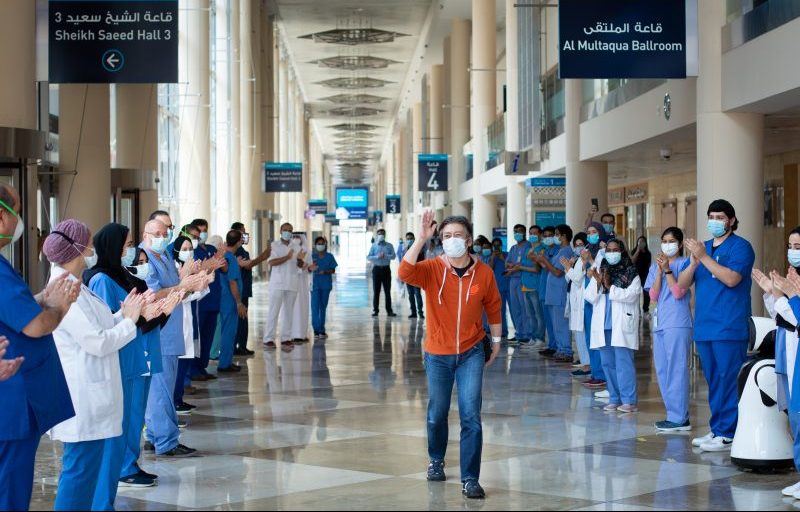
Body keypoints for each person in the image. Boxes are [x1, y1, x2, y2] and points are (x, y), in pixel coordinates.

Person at [42, 219, 145, 511]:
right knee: (78, 474)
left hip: (95, 396)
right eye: (87, 244)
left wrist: (123, 314)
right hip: (83, 401)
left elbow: (99, 325)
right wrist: (129, 321)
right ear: (76, 249)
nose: (91, 249)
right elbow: (97, 342)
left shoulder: (78, 286)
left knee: (87, 474)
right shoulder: (62, 291)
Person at [398, 210, 502, 500]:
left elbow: (493, 305)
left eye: (457, 235)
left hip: (471, 352)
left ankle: (470, 478)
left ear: (469, 240)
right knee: (437, 413)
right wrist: (421, 239)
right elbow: (405, 272)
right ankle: (436, 459)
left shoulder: (483, 273)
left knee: (471, 415)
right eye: (446, 236)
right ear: (439, 240)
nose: (452, 240)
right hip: (438, 353)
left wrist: (496, 340)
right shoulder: (432, 268)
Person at [0, 184, 77, 512]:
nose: (20, 222)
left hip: (15, 397)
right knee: (9, 492)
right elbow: (34, 325)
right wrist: (59, 309)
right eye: (17, 211)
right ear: (2, 216)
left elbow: (14, 312)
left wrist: (42, 299)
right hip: (12, 401)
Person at [85, 223, 170, 495]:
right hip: (123, 356)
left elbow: (139, 312)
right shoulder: (101, 279)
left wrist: (157, 311)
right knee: (126, 416)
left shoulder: (122, 275)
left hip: (138, 352)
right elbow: (110, 320)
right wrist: (143, 315)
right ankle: (123, 467)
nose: (130, 250)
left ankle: (129, 463)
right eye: (127, 244)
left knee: (135, 416)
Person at [677, 199, 755, 452]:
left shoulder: (741, 247)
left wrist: (704, 257)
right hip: (705, 326)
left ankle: (729, 432)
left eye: (720, 217)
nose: (715, 221)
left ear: (731, 220)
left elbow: (732, 279)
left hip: (729, 327)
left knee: (729, 379)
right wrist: (694, 262)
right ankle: (718, 428)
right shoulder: (704, 248)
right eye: (711, 216)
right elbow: (682, 283)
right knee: (713, 380)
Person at [142, 217, 204, 457]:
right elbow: (155, 293)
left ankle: (155, 436)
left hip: (172, 330)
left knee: (162, 387)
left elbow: (175, 286)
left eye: (166, 230)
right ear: (146, 234)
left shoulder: (165, 256)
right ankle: (166, 441)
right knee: (161, 391)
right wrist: (182, 286)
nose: (163, 235)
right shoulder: (145, 259)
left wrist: (187, 282)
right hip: (160, 333)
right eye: (157, 232)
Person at [755, 255, 800, 498]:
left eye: (799, 247)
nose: (794, 253)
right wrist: (774, 294)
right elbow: (781, 319)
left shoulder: (793, 288)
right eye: (791, 247)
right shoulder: (790, 284)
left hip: (797, 351)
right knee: (794, 415)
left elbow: (796, 318)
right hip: (788, 353)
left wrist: (786, 296)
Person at [584, 238, 642, 413]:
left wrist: (610, 287)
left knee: (624, 363)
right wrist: (598, 282)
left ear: (622, 252)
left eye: (615, 250)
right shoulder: (601, 271)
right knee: (608, 363)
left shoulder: (631, 273)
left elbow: (632, 295)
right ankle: (614, 397)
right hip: (604, 325)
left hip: (622, 324)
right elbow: (590, 297)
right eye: (608, 251)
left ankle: (629, 400)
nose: (611, 254)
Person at [645, 227, 693, 432]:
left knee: (676, 369)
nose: (667, 244)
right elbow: (653, 297)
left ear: (680, 244)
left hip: (677, 322)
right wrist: (659, 271)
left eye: (671, 240)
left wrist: (667, 271)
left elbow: (678, 292)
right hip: (660, 322)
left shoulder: (685, 263)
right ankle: (673, 414)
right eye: (664, 240)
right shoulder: (656, 266)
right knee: (663, 370)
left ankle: (679, 418)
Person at [533, 224, 574, 362]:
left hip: (559, 293)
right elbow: (550, 268)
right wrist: (540, 260)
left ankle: (566, 351)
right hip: (552, 293)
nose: (555, 237)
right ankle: (560, 349)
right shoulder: (559, 251)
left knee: (561, 324)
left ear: (564, 236)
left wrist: (544, 260)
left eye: (557, 234)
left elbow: (557, 272)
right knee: (555, 325)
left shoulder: (567, 252)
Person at [190, 218, 225, 381]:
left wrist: (219, 257)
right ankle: (194, 369)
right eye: (199, 231)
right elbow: (199, 270)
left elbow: (223, 266)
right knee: (198, 337)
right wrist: (212, 264)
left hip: (213, 299)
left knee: (208, 336)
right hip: (200, 301)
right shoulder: (193, 251)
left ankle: (202, 367)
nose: (202, 233)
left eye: (205, 230)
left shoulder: (211, 248)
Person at [231, 222, 270, 355]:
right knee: (239, 318)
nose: (245, 235)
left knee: (243, 318)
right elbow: (247, 265)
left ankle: (242, 345)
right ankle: (237, 346)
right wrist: (262, 257)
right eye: (242, 232)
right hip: (238, 290)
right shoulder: (234, 252)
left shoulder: (242, 251)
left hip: (244, 289)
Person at [264, 223, 301, 349]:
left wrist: (300, 262)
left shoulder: (296, 247)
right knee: (274, 311)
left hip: (292, 282)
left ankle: (286, 338)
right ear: (280, 231)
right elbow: (272, 262)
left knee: (289, 312)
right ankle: (268, 338)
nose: (288, 232)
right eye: (285, 230)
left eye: (290, 230)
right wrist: (287, 257)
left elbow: (299, 265)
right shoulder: (274, 246)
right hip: (277, 284)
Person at [582, 222, 609, 391]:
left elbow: (602, 271)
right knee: (590, 338)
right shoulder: (587, 252)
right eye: (589, 232)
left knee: (598, 338)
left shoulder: (605, 252)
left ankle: (601, 374)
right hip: (588, 298)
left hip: (598, 298)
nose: (591, 235)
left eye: (594, 232)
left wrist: (590, 261)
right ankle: (594, 371)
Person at [218, 230, 247, 372]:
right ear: (239, 242)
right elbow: (233, 282)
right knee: (229, 332)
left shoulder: (225, 256)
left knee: (226, 331)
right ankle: (224, 364)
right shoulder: (231, 258)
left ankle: (225, 361)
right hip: (230, 301)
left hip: (223, 299)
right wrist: (239, 303)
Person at [563, 233, 590, 377]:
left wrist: (569, 268)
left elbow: (578, 279)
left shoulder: (586, 259)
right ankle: (585, 362)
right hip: (574, 300)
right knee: (578, 334)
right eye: (577, 244)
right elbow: (569, 279)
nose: (579, 247)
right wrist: (569, 266)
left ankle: (587, 365)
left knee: (582, 333)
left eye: (581, 244)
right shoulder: (578, 260)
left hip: (582, 301)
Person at [506, 224, 532, 343]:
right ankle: (519, 333)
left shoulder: (529, 246)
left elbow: (527, 264)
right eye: (515, 231)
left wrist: (517, 266)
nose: (517, 233)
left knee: (525, 308)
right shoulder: (513, 248)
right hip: (513, 279)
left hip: (524, 279)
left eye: (520, 231)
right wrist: (514, 266)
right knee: (515, 308)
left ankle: (527, 333)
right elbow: (507, 263)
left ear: (525, 232)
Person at [519, 226, 545, 347]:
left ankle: (540, 338)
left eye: (535, 233)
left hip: (535, 285)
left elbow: (536, 268)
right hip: (525, 285)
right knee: (530, 314)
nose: (532, 235)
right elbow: (523, 263)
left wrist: (520, 268)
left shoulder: (541, 249)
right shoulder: (528, 249)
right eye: (531, 233)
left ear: (540, 235)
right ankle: (533, 337)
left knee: (538, 313)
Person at [537, 226, 559, 357]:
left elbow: (552, 268)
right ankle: (552, 345)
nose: (548, 238)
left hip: (553, 290)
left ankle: (557, 346)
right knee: (548, 320)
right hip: (544, 287)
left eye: (551, 235)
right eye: (545, 236)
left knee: (555, 321)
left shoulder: (557, 251)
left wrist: (542, 261)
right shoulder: (544, 250)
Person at [311, 236, 338, 338]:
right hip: (314, 285)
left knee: (323, 307)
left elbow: (333, 269)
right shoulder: (312, 256)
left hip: (326, 285)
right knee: (314, 307)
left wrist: (325, 271)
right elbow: (307, 268)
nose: (320, 245)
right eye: (319, 243)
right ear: (315, 245)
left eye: (322, 243)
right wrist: (311, 268)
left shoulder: (329, 256)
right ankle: (316, 330)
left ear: (325, 245)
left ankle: (321, 329)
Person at [482, 239, 508, 338]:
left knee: (509, 311)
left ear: (501, 246)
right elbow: (489, 269)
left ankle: (505, 332)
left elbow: (510, 266)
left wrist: (502, 258)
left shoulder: (506, 255)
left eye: (498, 245)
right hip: (496, 287)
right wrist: (493, 258)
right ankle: (499, 331)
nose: (496, 247)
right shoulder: (490, 257)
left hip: (507, 285)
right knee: (498, 310)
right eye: (495, 245)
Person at [367, 228, 396, 317]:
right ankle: (375, 310)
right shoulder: (374, 246)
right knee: (376, 291)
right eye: (379, 234)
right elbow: (368, 257)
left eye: (383, 234)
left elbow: (393, 256)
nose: (381, 235)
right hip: (376, 270)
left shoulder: (389, 245)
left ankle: (389, 311)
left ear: (385, 235)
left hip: (386, 270)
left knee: (387, 291)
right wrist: (377, 257)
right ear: (377, 235)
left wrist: (386, 255)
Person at [290, 233, 313, 342]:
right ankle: (292, 333)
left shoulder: (306, 251)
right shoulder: (289, 250)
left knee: (302, 307)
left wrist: (306, 267)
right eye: (294, 237)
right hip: (291, 282)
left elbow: (309, 266)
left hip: (302, 283)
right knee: (292, 308)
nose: (295, 239)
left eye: (298, 237)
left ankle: (301, 333)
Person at [403, 232, 425, 319]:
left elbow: (421, 260)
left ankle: (420, 312)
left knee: (417, 294)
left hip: (416, 275)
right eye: (408, 239)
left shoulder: (419, 249)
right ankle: (413, 312)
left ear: (414, 239)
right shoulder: (405, 249)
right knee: (410, 294)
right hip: (408, 275)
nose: (409, 240)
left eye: (411, 238)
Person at [632, 236, 653, 315]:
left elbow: (649, 264)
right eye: (640, 242)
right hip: (636, 275)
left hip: (645, 275)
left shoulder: (648, 253)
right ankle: (637, 310)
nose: (641, 243)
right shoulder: (634, 251)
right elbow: (632, 261)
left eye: (643, 242)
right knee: (636, 293)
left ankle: (645, 309)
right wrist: (638, 250)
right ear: (637, 242)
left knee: (646, 293)